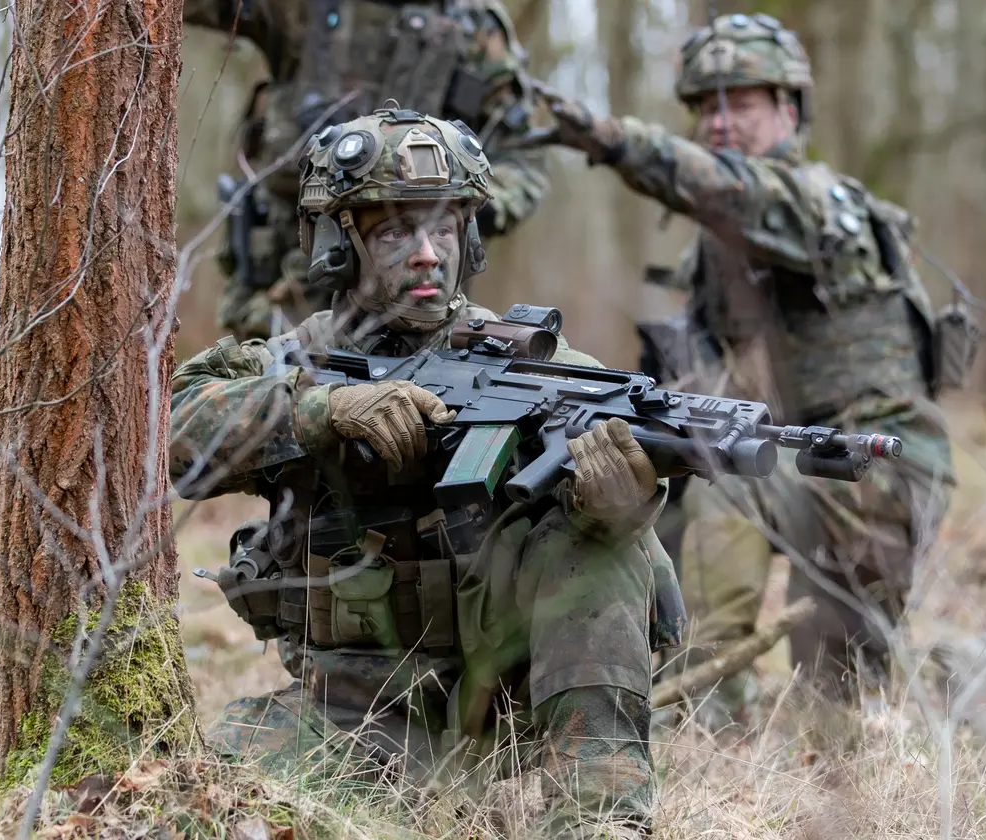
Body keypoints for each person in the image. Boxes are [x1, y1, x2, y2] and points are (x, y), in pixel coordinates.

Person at [170, 108, 666, 839]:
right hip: (349, 716)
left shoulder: (543, 370)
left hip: (510, 712)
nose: (428, 255)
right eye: (395, 233)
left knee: (602, 546)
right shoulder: (298, 361)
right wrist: (320, 411)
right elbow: (172, 428)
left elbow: (628, 483)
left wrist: (622, 503)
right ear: (340, 246)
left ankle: (599, 818)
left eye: (446, 230)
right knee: (203, 810)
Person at [535, 13, 972, 725]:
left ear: (789, 112)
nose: (719, 122)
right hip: (793, 457)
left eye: (740, 103)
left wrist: (612, 138)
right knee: (673, 482)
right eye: (706, 107)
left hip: (878, 467)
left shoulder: (817, 205)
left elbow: (729, 191)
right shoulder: (718, 249)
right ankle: (701, 698)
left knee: (835, 705)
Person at [183, 0, 550, 342]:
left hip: (415, 297)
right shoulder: (300, 9)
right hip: (287, 276)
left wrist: (462, 209)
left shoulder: (472, 26)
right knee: (273, 382)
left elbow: (522, 153)